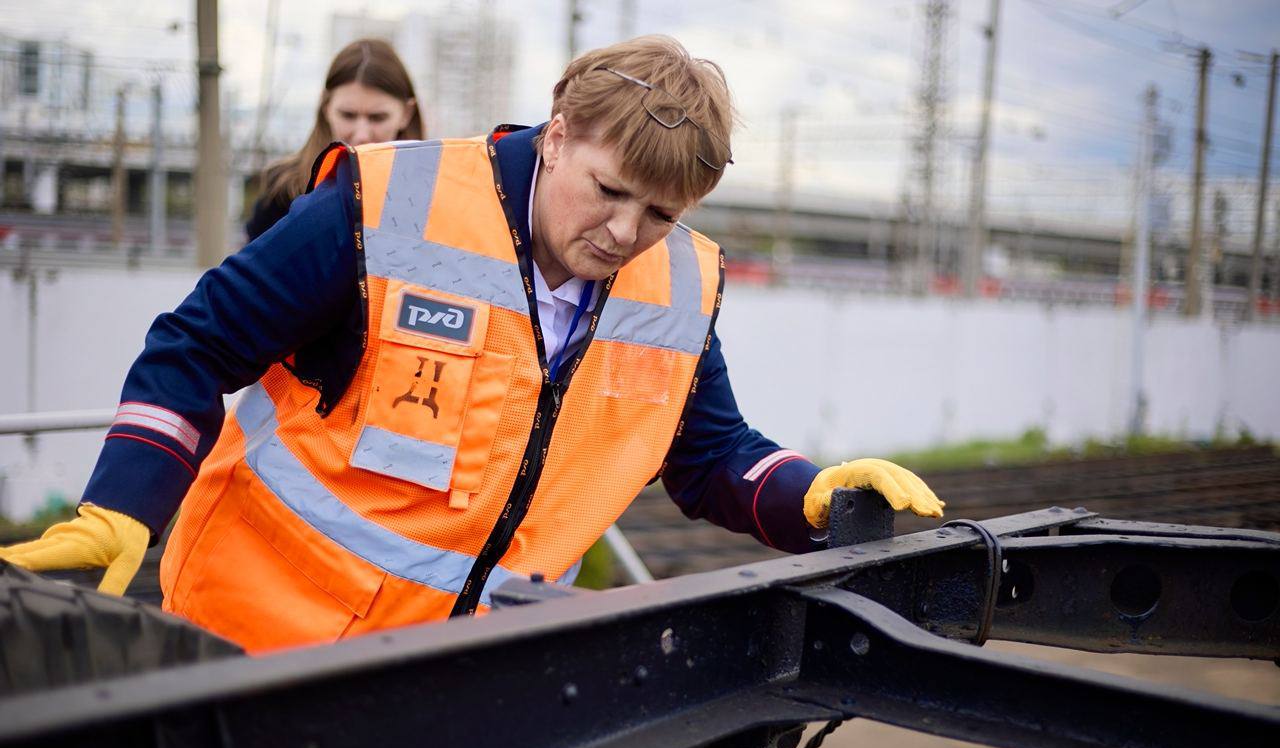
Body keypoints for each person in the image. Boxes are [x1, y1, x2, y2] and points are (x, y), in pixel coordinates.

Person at [0, 36, 943, 653]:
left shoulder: (680, 285)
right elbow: (196, 345)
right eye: (608, 191)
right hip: (252, 643)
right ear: (559, 134)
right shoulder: (385, 209)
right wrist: (122, 504)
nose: (625, 231)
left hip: (460, 674)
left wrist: (812, 493)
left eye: (660, 213)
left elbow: (709, 456)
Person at [245, 38, 423, 241]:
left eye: (377, 118)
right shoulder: (282, 190)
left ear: (406, 114)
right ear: (326, 107)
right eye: (348, 115)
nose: (362, 134)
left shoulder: (432, 193)